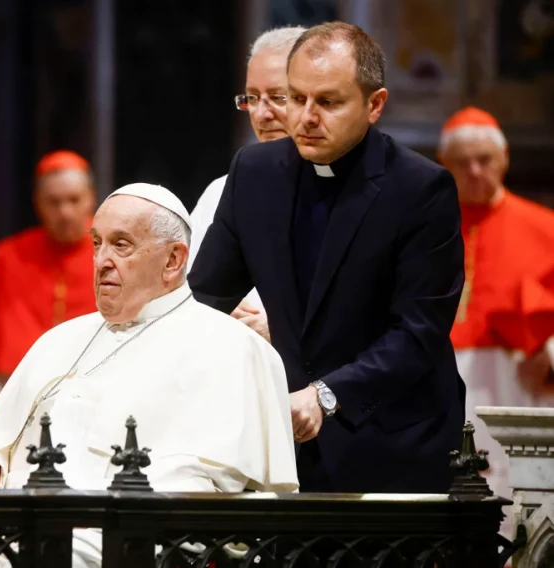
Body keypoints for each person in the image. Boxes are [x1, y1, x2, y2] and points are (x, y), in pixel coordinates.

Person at [0, 182, 298, 568]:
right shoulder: (59, 341)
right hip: (20, 529)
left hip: (126, 549)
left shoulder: (231, 347)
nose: (103, 259)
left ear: (173, 260)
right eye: (97, 243)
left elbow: (212, 488)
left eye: (122, 245)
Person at [189, 22, 465, 495]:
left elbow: (418, 332)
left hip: (393, 442)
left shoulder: (420, 189)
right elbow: (204, 300)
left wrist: (328, 394)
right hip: (286, 446)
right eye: (296, 98)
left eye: (328, 102)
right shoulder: (254, 175)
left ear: (374, 105)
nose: (305, 118)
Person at [438, 106, 554, 534]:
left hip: (516, 386)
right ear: (443, 164)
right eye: (461, 162)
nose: (474, 170)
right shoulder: (429, 226)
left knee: (516, 509)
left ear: (504, 159)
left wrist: (551, 355)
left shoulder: (546, 228)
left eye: (484, 159)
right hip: (441, 377)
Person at [188, 26, 306, 343]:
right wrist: (213, 312)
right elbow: (190, 292)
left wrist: (281, 330)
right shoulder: (222, 190)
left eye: (277, 97)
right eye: (252, 98)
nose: (262, 114)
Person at [0, 150, 97, 389]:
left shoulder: (114, 249)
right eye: (54, 202)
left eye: (74, 200)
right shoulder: (12, 256)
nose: (65, 212)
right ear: (38, 203)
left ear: (91, 199)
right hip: (28, 386)